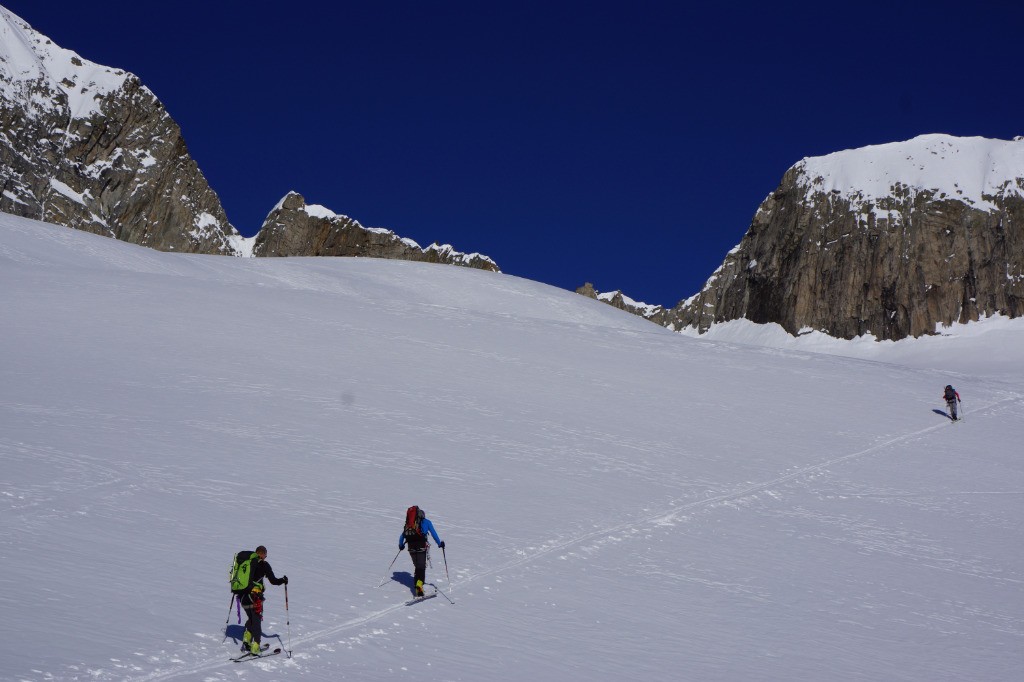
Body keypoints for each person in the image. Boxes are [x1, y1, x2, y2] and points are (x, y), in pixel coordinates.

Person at [236, 545, 288, 655]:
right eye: (266, 554)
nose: (266, 556)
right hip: (255, 597)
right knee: (256, 621)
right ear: (263, 554)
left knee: (251, 618)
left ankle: (246, 640)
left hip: (243, 597)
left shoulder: (247, 563)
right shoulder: (264, 565)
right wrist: (283, 580)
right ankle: (256, 646)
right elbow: (273, 581)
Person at [399, 507, 444, 597]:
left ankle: (417, 585)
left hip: (411, 547)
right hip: (421, 547)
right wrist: (440, 544)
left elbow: (402, 536)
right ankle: (419, 585)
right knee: (421, 567)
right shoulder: (427, 522)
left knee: (417, 566)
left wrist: (401, 545)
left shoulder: (409, 524)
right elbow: (434, 534)